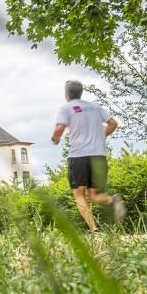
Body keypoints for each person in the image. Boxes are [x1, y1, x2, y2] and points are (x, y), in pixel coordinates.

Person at [51, 80, 126, 232]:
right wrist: (101, 136)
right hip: (98, 156)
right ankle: (113, 200)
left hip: (79, 156)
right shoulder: (95, 107)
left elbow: (59, 128)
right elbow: (113, 124)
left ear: (67, 95)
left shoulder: (66, 108)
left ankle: (94, 229)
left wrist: (55, 138)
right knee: (94, 195)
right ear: (81, 92)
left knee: (79, 195)